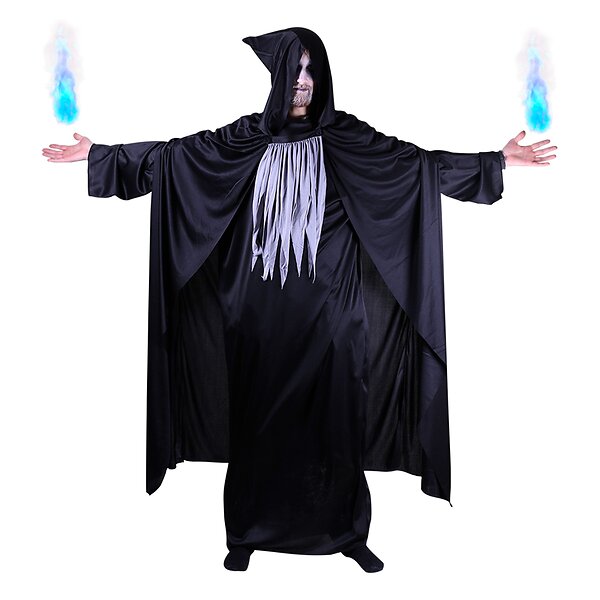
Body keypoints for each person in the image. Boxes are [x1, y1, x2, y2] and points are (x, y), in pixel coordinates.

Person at [42, 27, 556, 573]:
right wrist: (100, 154)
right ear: (278, 76)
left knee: (338, 417)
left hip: (334, 315)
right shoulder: (243, 140)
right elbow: (172, 160)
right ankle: (245, 533)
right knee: (256, 419)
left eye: (312, 70)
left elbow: (418, 166)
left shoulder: (348, 140)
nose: (303, 82)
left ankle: (347, 533)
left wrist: (495, 162)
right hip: (256, 315)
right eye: (295, 69)